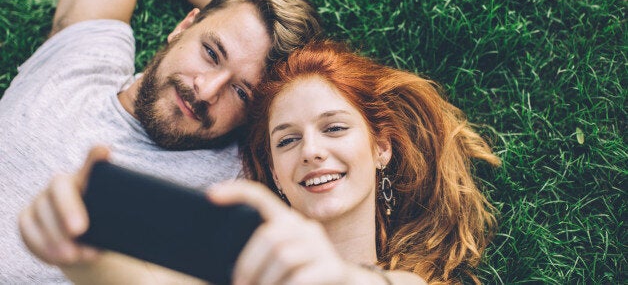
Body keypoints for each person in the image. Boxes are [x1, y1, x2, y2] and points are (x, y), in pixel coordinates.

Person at [20, 41, 500, 284]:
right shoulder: (234, 265)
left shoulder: (407, 280)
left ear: (381, 148)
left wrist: (331, 275)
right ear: (273, 173)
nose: (311, 150)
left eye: (334, 128)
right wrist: (82, 257)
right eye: (287, 140)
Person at [0, 0, 322, 281]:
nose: (206, 91)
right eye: (211, 52)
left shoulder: (238, 182)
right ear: (183, 27)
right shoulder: (86, 53)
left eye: (241, 92)